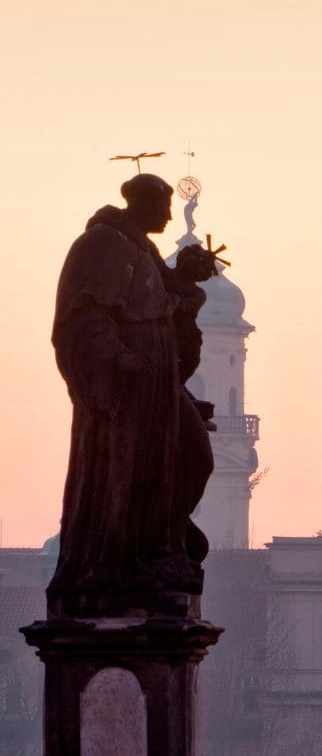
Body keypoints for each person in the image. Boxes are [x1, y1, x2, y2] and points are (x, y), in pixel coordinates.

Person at [51, 173, 217, 616]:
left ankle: (162, 546)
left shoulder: (143, 250)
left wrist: (186, 276)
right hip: (126, 394)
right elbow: (83, 317)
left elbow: (169, 303)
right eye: (163, 207)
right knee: (131, 472)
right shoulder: (102, 244)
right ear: (141, 203)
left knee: (193, 457)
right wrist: (119, 358)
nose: (168, 216)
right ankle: (131, 559)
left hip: (159, 386)